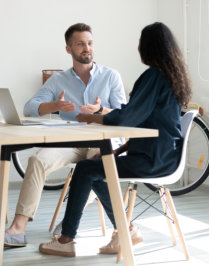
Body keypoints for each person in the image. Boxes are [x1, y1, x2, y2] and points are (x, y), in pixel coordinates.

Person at [39, 22, 192, 257]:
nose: (138, 47)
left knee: (86, 169)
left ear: (149, 46)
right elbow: (146, 124)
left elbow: (129, 117)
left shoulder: (153, 76)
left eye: (141, 42)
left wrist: (93, 118)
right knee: (95, 170)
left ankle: (66, 239)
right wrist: (114, 153)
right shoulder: (169, 76)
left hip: (153, 160)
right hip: (163, 156)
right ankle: (125, 231)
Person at [4, 23, 127, 247]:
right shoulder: (59, 80)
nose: (86, 48)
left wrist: (100, 111)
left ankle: (70, 220)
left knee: (92, 167)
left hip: (102, 141)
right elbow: (30, 107)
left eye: (89, 43)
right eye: (80, 44)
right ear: (69, 49)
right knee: (37, 160)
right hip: (71, 140)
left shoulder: (110, 76)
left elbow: (124, 114)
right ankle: (17, 228)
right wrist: (53, 105)